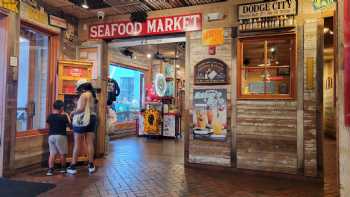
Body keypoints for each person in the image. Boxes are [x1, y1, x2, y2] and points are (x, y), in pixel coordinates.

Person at [67, 79, 98, 174]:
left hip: (82, 120)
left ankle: (73, 166)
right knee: (90, 143)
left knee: (77, 144)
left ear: (81, 87)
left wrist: (72, 112)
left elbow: (80, 109)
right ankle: (91, 164)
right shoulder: (93, 96)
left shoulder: (83, 95)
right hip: (92, 119)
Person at [46, 100, 71, 176]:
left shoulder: (50, 116)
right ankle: (63, 168)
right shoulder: (63, 116)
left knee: (52, 153)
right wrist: (67, 115)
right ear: (61, 108)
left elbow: (48, 124)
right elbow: (70, 125)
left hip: (51, 136)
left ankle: (50, 170)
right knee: (62, 153)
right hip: (61, 136)